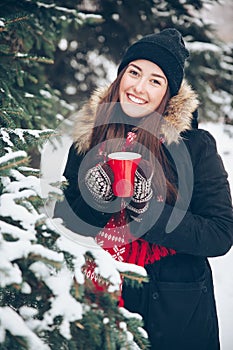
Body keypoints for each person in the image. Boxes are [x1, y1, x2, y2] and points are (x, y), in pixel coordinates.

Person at [54, 28, 233, 349]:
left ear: (169, 94)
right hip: (99, 302)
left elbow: (220, 233)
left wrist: (149, 214)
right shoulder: (88, 142)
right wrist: (97, 201)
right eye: (134, 72)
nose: (139, 87)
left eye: (155, 80)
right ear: (120, 76)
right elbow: (64, 225)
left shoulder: (193, 147)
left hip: (175, 310)